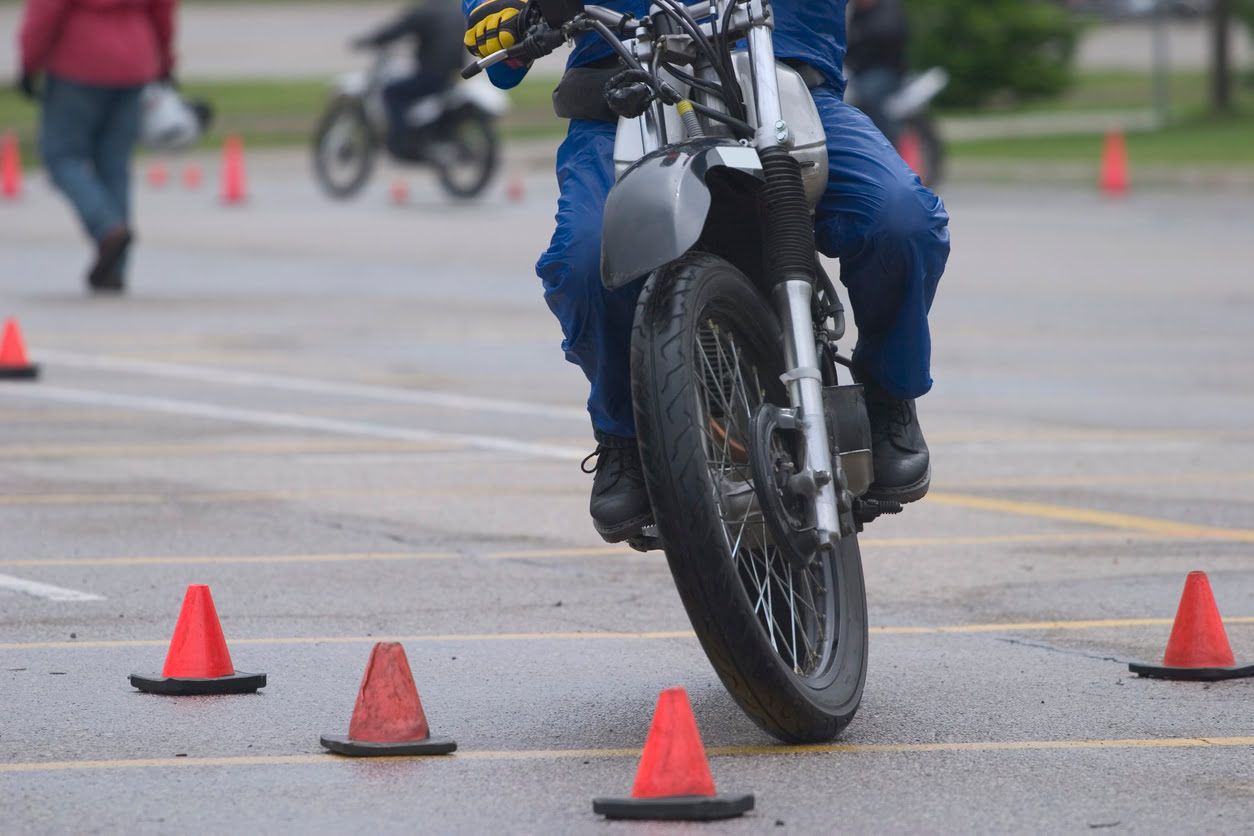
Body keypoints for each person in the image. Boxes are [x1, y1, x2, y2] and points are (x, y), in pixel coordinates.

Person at [463, 0, 950, 543]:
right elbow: (501, 56)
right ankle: (626, 436)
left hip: (782, 86)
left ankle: (889, 396)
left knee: (901, 221)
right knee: (585, 260)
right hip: (625, 98)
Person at [18, 0, 176, 294]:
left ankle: (107, 229)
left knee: (61, 156)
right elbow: (163, 10)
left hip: (79, 61)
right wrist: (164, 61)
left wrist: (30, 62)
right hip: (135, 59)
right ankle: (115, 268)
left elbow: (46, 10)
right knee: (115, 165)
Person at [354, 0, 468, 156]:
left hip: (432, 74)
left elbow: (396, 30)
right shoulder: (456, 10)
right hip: (454, 73)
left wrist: (370, 40)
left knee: (391, 93)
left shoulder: (425, 12)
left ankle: (401, 141)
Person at [846, 0, 910, 144]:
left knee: (867, 96)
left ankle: (886, 141)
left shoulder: (888, 8)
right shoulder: (856, 11)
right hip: (859, 71)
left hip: (886, 70)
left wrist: (857, 38)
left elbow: (889, 33)